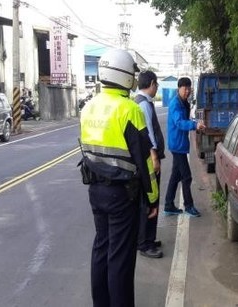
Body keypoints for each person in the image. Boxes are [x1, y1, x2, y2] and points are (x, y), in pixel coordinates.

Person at [79, 48, 158, 307]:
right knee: (120, 258)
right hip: (122, 195)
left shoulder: (88, 107)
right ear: (125, 76)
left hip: (95, 191)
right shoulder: (129, 109)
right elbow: (145, 162)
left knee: (101, 248)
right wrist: (153, 199)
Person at [163, 77, 206, 217]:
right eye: (184, 88)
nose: (187, 91)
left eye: (189, 88)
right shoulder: (175, 104)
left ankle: (169, 205)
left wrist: (195, 122)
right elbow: (180, 123)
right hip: (177, 145)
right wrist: (194, 125)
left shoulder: (184, 103)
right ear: (178, 89)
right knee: (186, 177)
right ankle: (189, 206)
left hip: (180, 144)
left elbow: (186, 120)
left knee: (175, 176)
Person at [134, 70, 166, 259]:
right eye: (157, 85)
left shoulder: (139, 102)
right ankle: (145, 243)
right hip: (148, 161)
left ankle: (148, 238)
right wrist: (154, 157)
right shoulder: (144, 105)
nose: (157, 88)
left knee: (149, 199)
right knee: (150, 200)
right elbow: (148, 135)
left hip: (145, 160)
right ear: (152, 83)